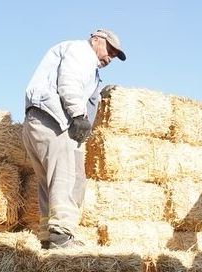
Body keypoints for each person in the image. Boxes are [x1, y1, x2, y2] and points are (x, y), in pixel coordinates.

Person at [21, 29, 126, 249]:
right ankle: (60, 235)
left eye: (115, 55)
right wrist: (78, 114)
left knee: (50, 183)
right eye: (110, 50)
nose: (111, 57)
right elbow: (69, 82)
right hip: (54, 122)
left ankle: (47, 235)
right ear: (96, 39)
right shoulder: (82, 51)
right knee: (66, 179)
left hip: (38, 122)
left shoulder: (80, 58)